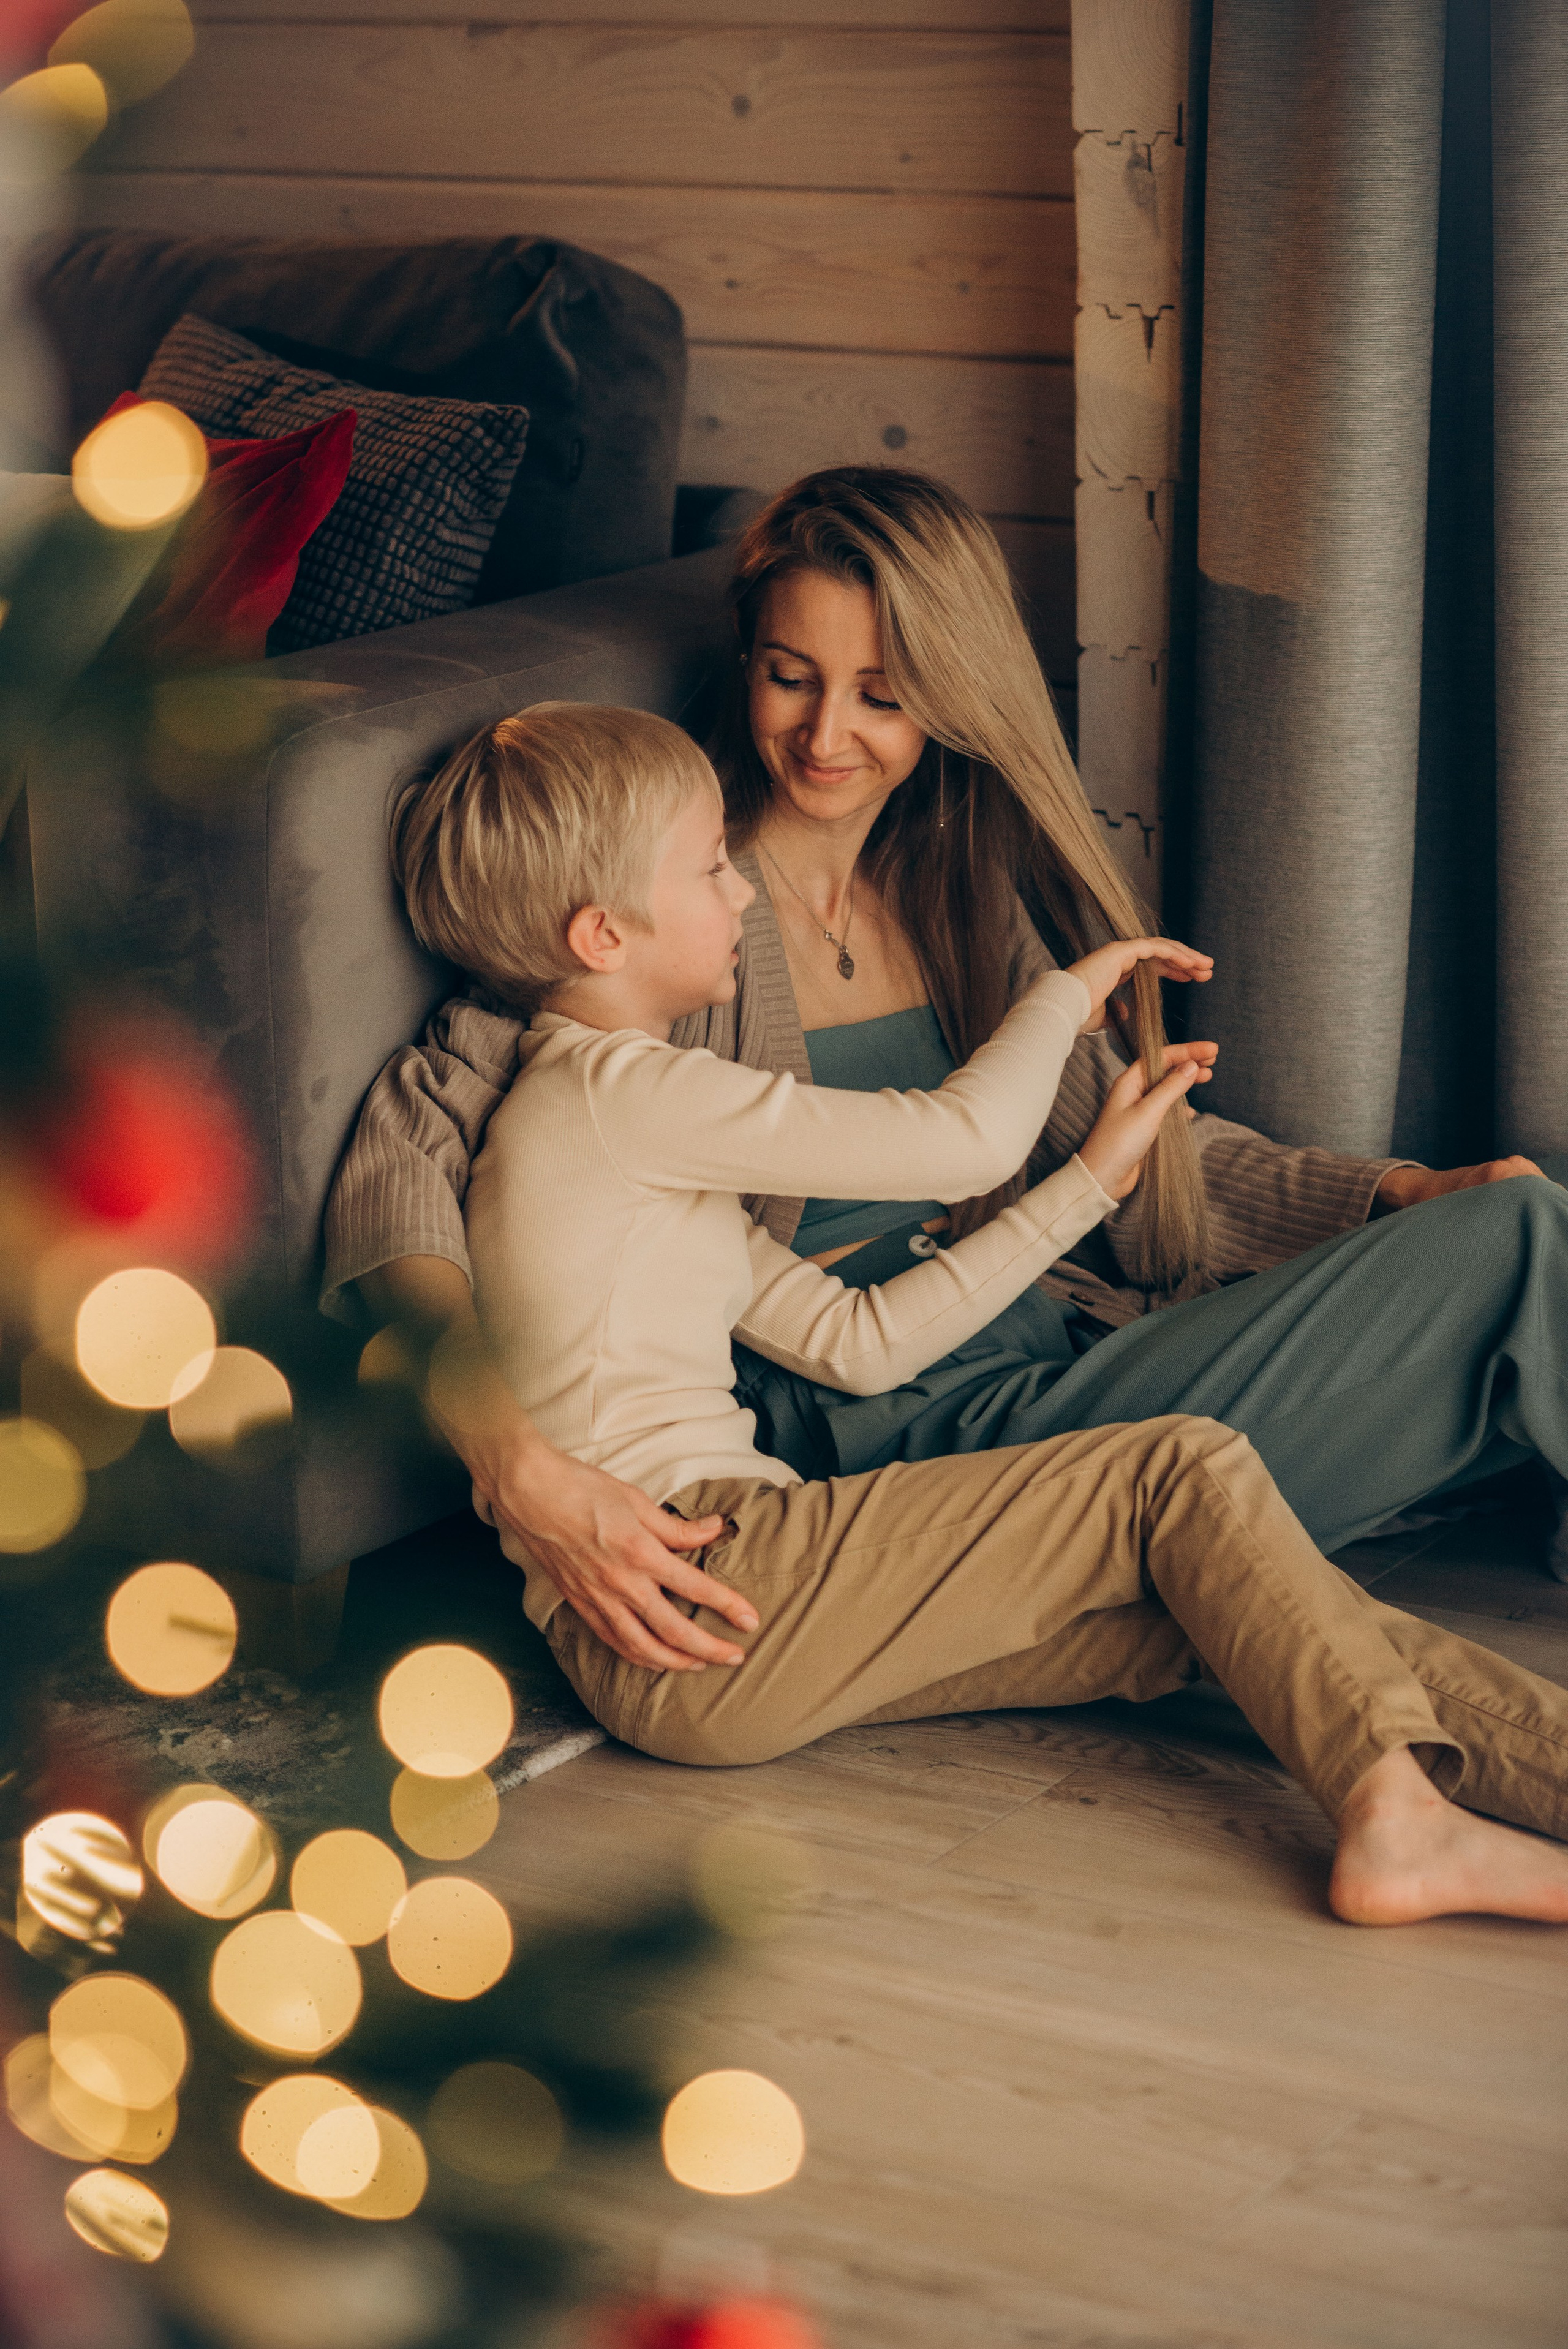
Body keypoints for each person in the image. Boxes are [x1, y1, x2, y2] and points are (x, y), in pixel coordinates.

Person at [325, 464, 1568, 1681]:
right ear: (746, 663)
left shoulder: (951, 895)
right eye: (788, 678)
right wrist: (514, 1462)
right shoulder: (657, 924)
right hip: (881, 1439)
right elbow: (402, 1171)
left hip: (1053, 1358)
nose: (824, 734)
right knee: (1518, 1249)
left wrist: (1389, 1193)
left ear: (946, 696)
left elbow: (1132, 1153)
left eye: (880, 693)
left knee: (1513, 1236)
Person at [394, 697, 1568, 1930]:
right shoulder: (617, 1088)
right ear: (599, 935)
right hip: (714, 1570)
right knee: (1180, 1470)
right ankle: (1395, 1820)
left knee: (1213, 1600)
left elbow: (864, 1343)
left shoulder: (635, 1154)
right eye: (705, 870)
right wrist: (1066, 993)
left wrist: (1083, 1188)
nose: (740, 890)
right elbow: (961, 1141)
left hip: (731, 1603)